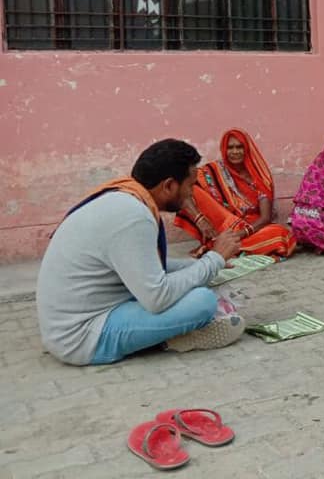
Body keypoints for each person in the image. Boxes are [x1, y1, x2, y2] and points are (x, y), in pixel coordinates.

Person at [36, 140, 245, 366]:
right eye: (190, 185)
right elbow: (157, 297)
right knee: (202, 301)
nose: (191, 194)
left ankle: (175, 331)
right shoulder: (133, 216)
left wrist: (207, 262)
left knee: (201, 280)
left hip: (67, 328)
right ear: (168, 186)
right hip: (81, 338)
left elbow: (149, 267)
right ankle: (172, 339)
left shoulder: (125, 197)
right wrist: (213, 260)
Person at [175, 128, 295, 258]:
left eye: (239, 147)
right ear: (224, 150)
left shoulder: (259, 176)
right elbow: (183, 184)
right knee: (192, 188)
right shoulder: (215, 171)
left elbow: (265, 218)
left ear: (247, 149)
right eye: (230, 148)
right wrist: (200, 219)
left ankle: (220, 245)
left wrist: (241, 233)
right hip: (223, 224)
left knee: (281, 235)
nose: (235, 152)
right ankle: (225, 244)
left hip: (251, 228)